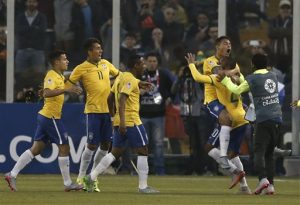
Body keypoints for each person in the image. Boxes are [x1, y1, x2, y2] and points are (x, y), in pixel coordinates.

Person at [4, 50, 83, 192]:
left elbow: (65, 78)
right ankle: (67, 183)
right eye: (64, 59)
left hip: (46, 117)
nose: (67, 61)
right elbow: (46, 92)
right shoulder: (51, 75)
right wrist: (67, 90)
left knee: (37, 149)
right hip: (51, 117)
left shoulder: (58, 75)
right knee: (64, 146)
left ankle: (12, 174)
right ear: (56, 62)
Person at [83, 54, 159, 194]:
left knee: (115, 152)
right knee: (143, 150)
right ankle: (143, 187)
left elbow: (110, 98)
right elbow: (123, 98)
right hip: (131, 120)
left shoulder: (121, 77)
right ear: (136, 65)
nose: (144, 66)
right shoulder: (129, 79)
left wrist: (114, 117)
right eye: (142, 64)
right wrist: (123, 122)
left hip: (120, 120)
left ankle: (91, 177)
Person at [185, 53, 251, 194]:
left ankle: (232, 169)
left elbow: (197, 77)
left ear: (223, 66)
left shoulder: (218, 78)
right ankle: (244, 187)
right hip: (242, 118)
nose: (218, 66)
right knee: (234, 154)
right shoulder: (240, 77)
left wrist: (191, 64)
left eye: (220, 64)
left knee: (209, 147)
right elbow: (240, 82)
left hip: (228, 117)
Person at [221, 53, 282, 195]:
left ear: (253, 64)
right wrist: (240, 76)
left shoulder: (253, 78)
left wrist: (225, 80)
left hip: (263, 120)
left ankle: (262, 180)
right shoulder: (273, 75)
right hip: (277, 119)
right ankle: (271, 185)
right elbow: (247, 84)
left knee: (258, 153)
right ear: (266, 65)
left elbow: (237, 89)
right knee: (269, 155)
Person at [65, 38, 120, 192]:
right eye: (97, 48)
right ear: (89, 51)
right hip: (93, 111)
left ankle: (92, 178)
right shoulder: (81, 68)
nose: (100, 51)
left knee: (105, 146)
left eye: (101, 48)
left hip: (108, 112)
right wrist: (72, 89)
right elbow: (68, 83)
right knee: (91, 145)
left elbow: (119, 76)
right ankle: (81, 177)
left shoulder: (106, 64)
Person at [202, 36, 239, 169]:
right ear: (217, 46)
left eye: (230, 43)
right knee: (225, 118)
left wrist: (234, 74)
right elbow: (219, 73)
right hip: (213, 102)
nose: (228, 45)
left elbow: (239, 79)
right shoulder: (209, 61)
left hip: (230, 103)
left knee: (210, 147)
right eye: (225, 43)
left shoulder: (232, 62)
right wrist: (233, 72)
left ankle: (241, 180)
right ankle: (223, 157)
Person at [140, 52, 175, 175]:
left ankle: (160, 170)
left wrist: (171, 97)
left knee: (159, 144)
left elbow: (175, 85)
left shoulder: (164, 74)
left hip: (159, 115)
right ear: (145, 62)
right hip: (142, 114)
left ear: (157, 63)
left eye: (154, 61)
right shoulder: (140, 74)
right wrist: (140, 92)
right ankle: (144, 170)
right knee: (143, 144)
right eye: (149, 61)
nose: (152, 63)